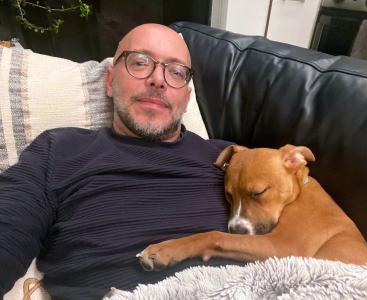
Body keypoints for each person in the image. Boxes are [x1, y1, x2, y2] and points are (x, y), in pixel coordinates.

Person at [0, 24, 241, 299]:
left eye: (175, 72)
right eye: (140, 62)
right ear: (110, 81)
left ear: (187, 99)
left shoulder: (230, 158)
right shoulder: (60, 151)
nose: (158, 80)